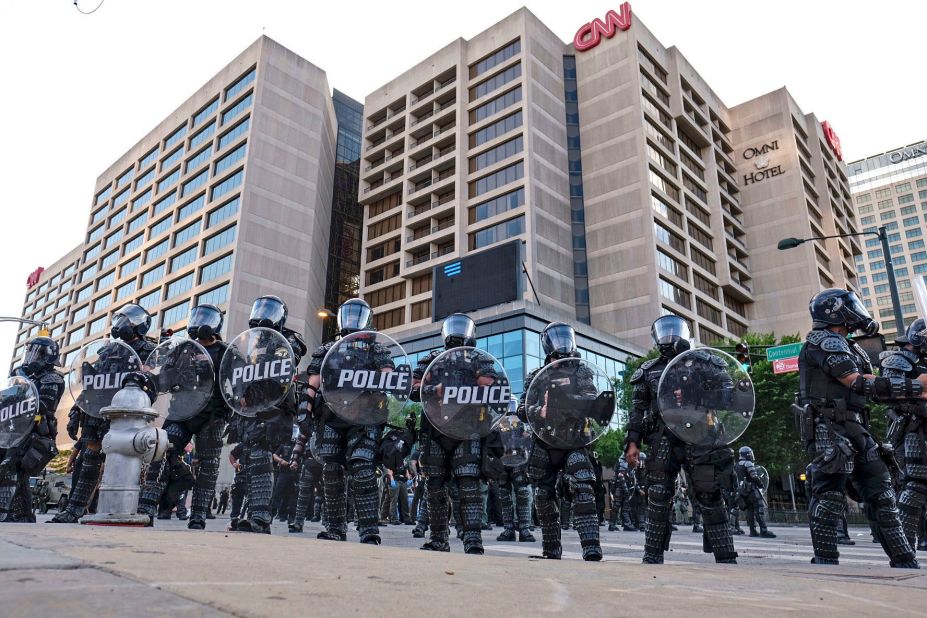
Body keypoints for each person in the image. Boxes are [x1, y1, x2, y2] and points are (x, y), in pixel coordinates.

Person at [797, 288, 927, 567]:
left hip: (855, 426)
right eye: (850, 306)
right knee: (830, 494)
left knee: (882, 491)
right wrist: (917, 386)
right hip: (827, 428)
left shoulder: (849, 345)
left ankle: (905, 559)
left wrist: (911, 390)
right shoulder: (823, 342)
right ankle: (826, 560)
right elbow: (856, 382)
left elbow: (873, 388)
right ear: (835, 311)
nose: (857, 310)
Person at [624, 315, 739, 564]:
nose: (668, 336)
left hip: (701, 435)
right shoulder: (648, 371)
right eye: (663, 332)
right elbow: (637, 411)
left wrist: (697, 392)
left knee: (710, 492)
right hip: (663, 437)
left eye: (673, 331)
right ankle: (652, 554)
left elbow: (729, 395)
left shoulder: (706, 364)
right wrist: (632, 443)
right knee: (657, 493)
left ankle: (725, 555)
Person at [52, 304, 156, 523]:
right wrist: (76, 411)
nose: (121, 325)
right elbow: (91, 386)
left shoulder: (148, 352)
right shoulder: (107, 351)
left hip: (125, 413)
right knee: (88, 459)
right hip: (97, 412)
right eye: (119, 320)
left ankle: (134, 508)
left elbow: (155, 385)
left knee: (125, 459)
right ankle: (75, 508)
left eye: (126, 321)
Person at [304, 298, 394, 544]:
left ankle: (368, 529)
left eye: (358, 315)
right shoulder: (327, 349)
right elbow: (313, 381)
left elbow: (387, 376)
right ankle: (335, 527)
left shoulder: (376, 348)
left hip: (365, 416)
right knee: (332, 471)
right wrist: (306, 411)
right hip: (333, 416)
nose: (353, 319)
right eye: (349, 314)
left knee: (363, 468)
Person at [138, 304, 231, 529]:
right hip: (181, 412)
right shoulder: (181, 350)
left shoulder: (227, 352)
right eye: (197, 317)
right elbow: (165, 380)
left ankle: (198, 514)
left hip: (213, 415)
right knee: (161, 453)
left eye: (205, 318)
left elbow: (238, 384)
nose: (200, 322)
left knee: (208, 465)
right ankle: (146, 509)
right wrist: (146, 378)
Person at [414, 313, 495, 554]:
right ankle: (439, 539)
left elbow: (491, 386)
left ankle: (472, 540)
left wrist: (463, 388)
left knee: (469, 485)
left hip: (467, 429)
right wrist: (434, 389)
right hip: (435, 429)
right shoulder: (431, 359)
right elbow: (413, 389)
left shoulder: (479, 359)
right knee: (435, 486)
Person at [523, 322, 604, 561]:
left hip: (573, 439)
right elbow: (522, 409)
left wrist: (566, 401)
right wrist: (542, 409)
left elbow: (591, 401)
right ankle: (551, 551)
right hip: (545, 442)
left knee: (583, 487)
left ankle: (591, 548)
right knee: (543, 496)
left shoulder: (581, 371)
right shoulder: (536, 376)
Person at [230, 295, 305, 534]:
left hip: (274, 406)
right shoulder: (250, 342)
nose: (263, 314)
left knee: (261, 456)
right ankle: (253, 515)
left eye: (268, 310)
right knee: (250, 459)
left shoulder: (289, 339)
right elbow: (239, 368)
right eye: (260, 308)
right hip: (250, 406)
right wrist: (241, 391)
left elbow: (290, 358)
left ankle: (261, 517)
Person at [0, 337, 65, 522]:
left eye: (37, 353)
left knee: (13, 468)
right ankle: (22, 514)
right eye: (30, 352)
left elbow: (45, 405)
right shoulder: (22, 377)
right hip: (13, 429)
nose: (32, 356)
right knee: (10, 470)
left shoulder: (53, 378)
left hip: (36, 431)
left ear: (48, 356)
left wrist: (23, 387)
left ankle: (17, 513)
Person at [880, 318, 927, 552]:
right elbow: (889, 393)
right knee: (916, 485)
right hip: (911, 430)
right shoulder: (898, 360)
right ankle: (905, 544)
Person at [734, 446, 775, 538]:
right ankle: (763, 530)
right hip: (752, 490)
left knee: (750, 511)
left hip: (742, 492)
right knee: (759, 509)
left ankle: (752, 531)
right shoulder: (748, 463)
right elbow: (754, 476)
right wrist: (760, 484)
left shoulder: (736, 465)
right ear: (747, 454)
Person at [608, 455, 637, 531]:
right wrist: (626, 489)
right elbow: (621, 476)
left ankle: (626, 524)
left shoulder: (626, 462)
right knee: (617, 507)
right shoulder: (623, 462)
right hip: (620, 488)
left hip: (622, 488)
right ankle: (612, 525)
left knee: (624, 507)